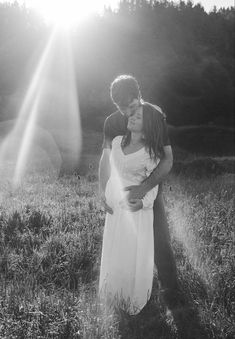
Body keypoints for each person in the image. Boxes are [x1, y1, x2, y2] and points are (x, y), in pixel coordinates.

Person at [99, 75, 179, 310]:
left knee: (159, 239)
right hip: (119, 192)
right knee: (122, 242)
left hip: (149, 188)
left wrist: (142, 191)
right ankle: (125, 287)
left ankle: (172, 291)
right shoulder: (112, 122)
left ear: (139, 97)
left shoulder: (153, 116)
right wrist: (102, 191)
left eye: (132, 107)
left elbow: (167, 159)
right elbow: (105, 158)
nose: (127, 113)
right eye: (122, 108)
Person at [99, 104, 161, 314]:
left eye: (139, 116)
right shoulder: (117, 142)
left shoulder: (151, 151)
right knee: (114, 248)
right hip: (114, 208)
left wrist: (142, 203)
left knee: (131, 252)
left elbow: (154, 183)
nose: (133, 117)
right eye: (133, 114)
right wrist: (104, 195)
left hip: (136, 209)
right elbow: (110, 170)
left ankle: (131, 297)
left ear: (148, 124)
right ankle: (112, 293)